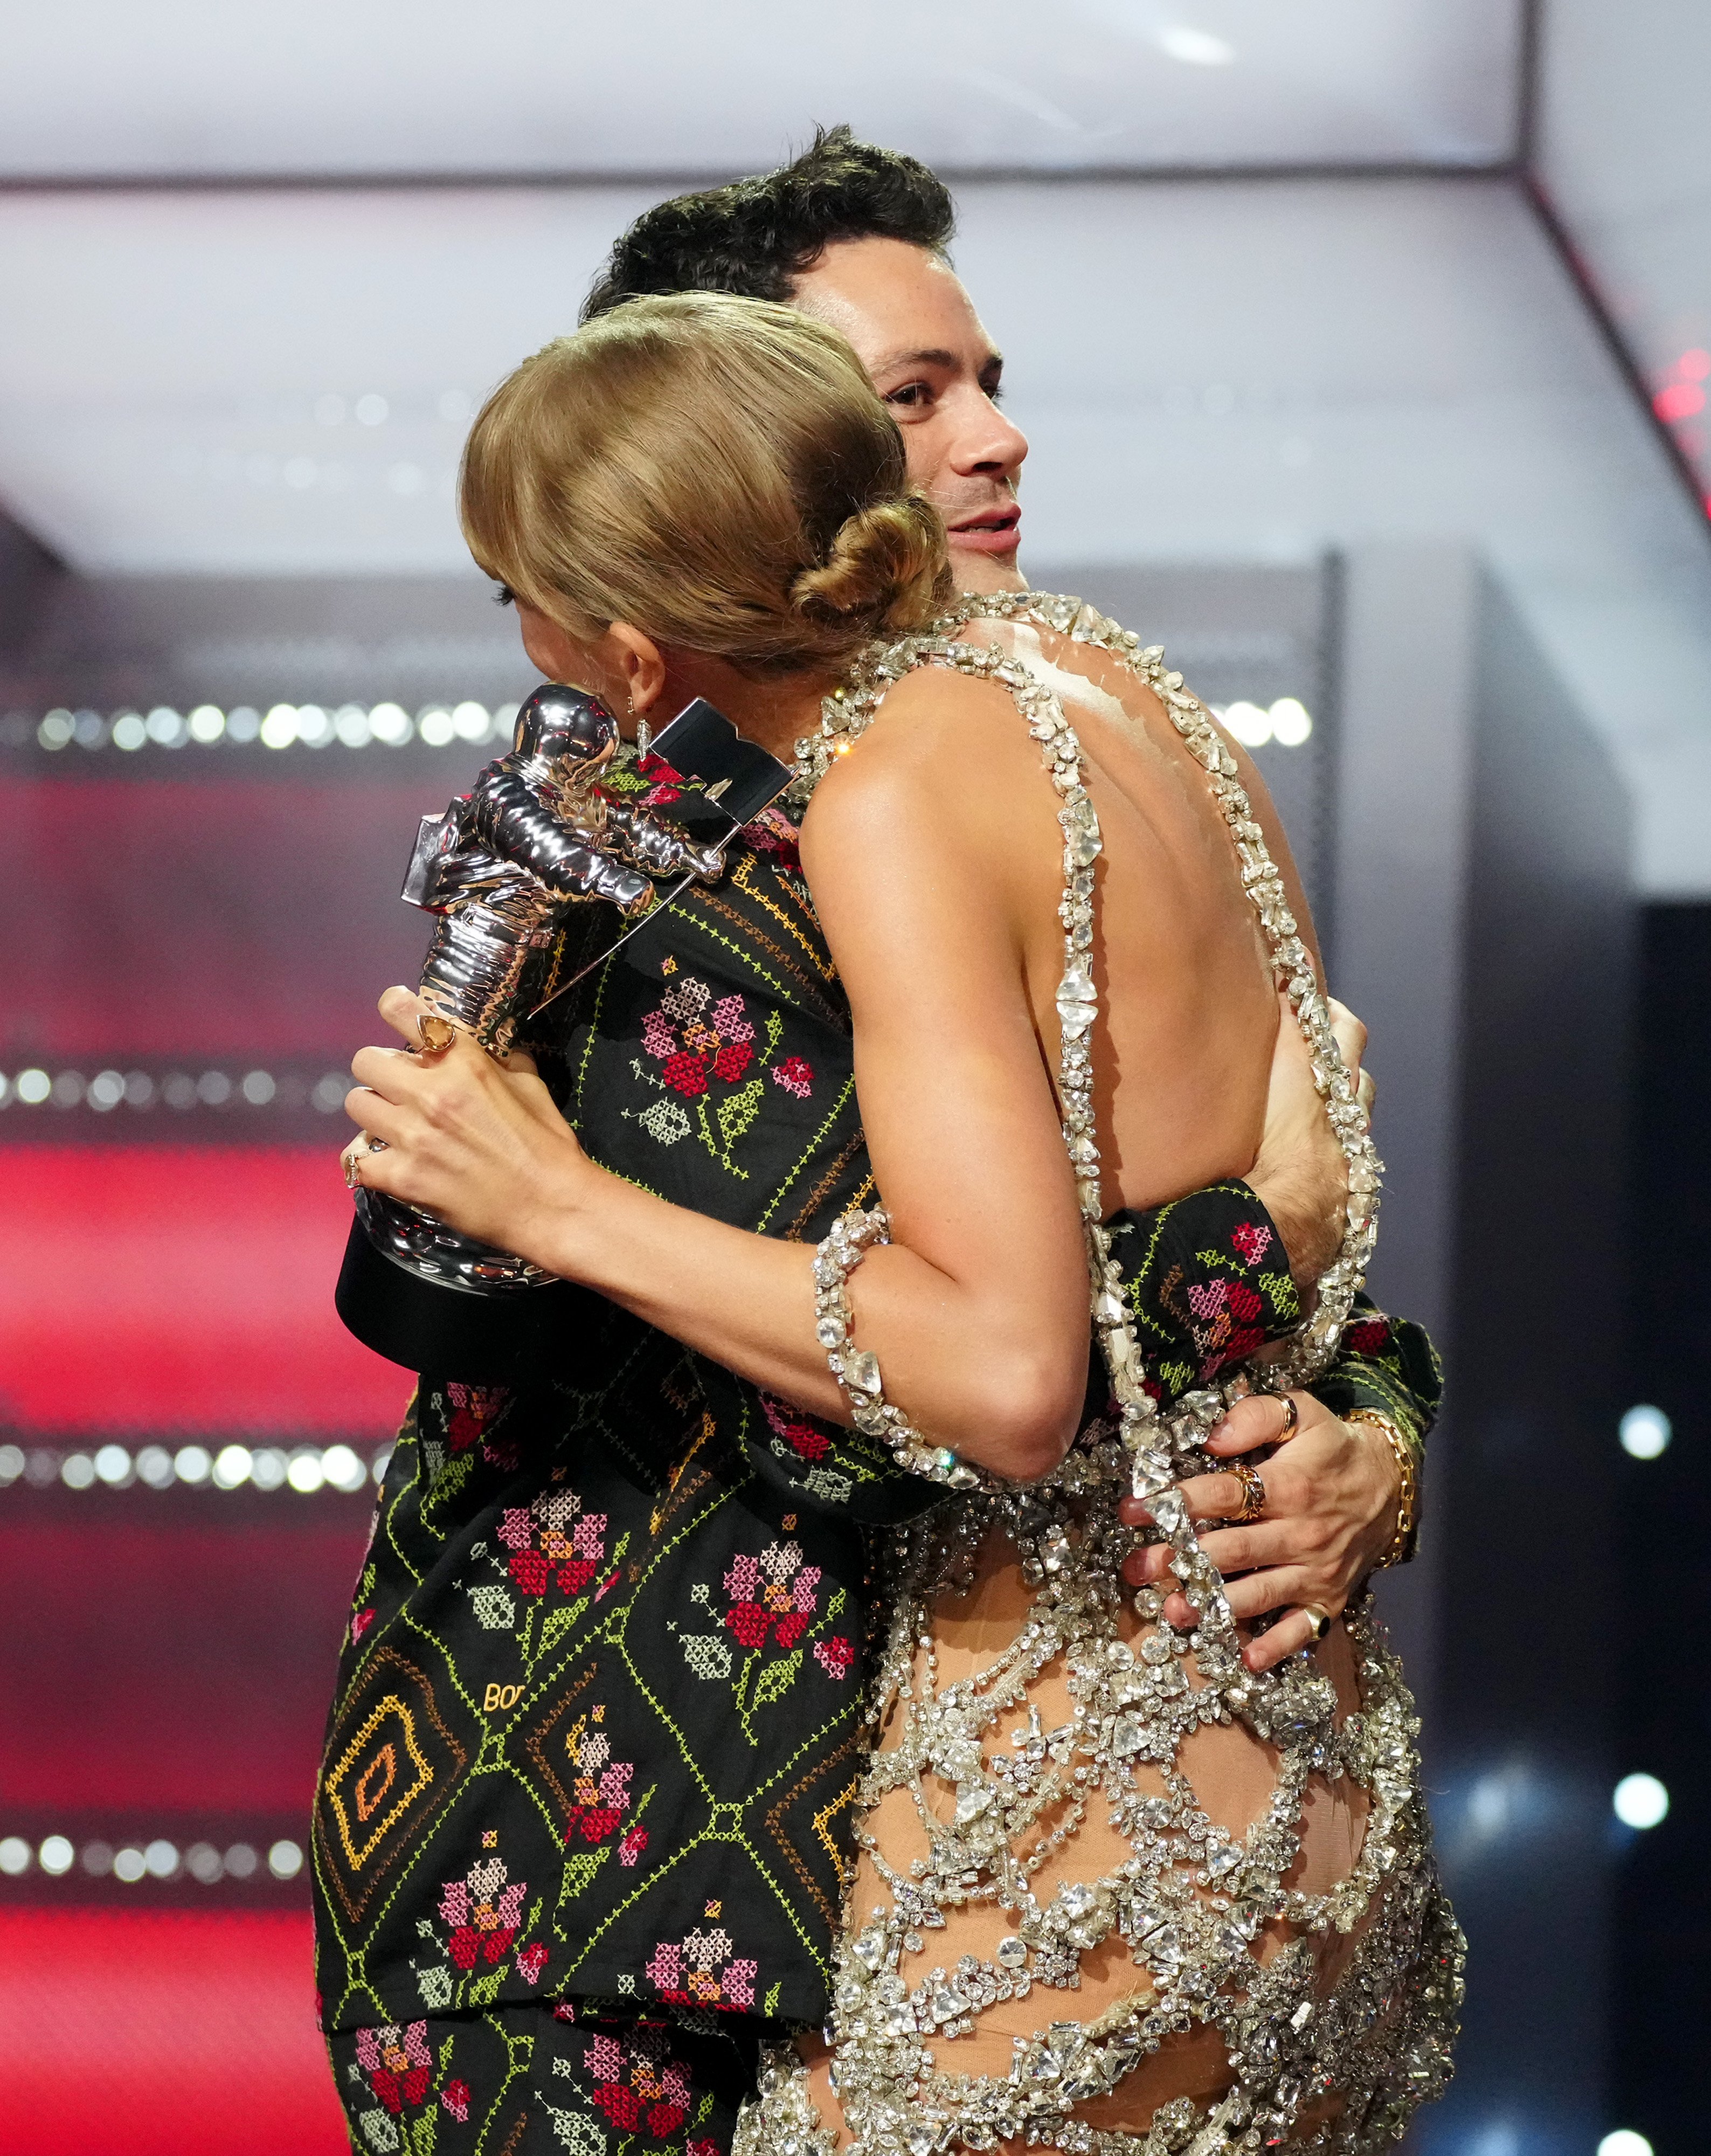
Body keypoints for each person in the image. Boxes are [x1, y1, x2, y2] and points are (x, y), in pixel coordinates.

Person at [323, 294, 1454, 2155]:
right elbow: (1284, 1217)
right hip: (1303, 1802)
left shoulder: (893, 785)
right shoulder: (1127, 690)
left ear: (619, 651)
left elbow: (1011, 1369)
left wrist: (553, 1199)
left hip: (1057, 1837)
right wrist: (1365, 1417)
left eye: (509, 597)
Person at [579, 128, 1435, 1667]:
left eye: (983, 378)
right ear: (741, 435)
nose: (1000, 436)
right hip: (703, 1746)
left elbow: (1050, 1357)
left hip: (1066, 1717)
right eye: (916, 396)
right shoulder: (647, 846)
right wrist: (1278, 1226)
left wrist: (1372, 1450)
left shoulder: (1105, 719)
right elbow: (838, 1398)